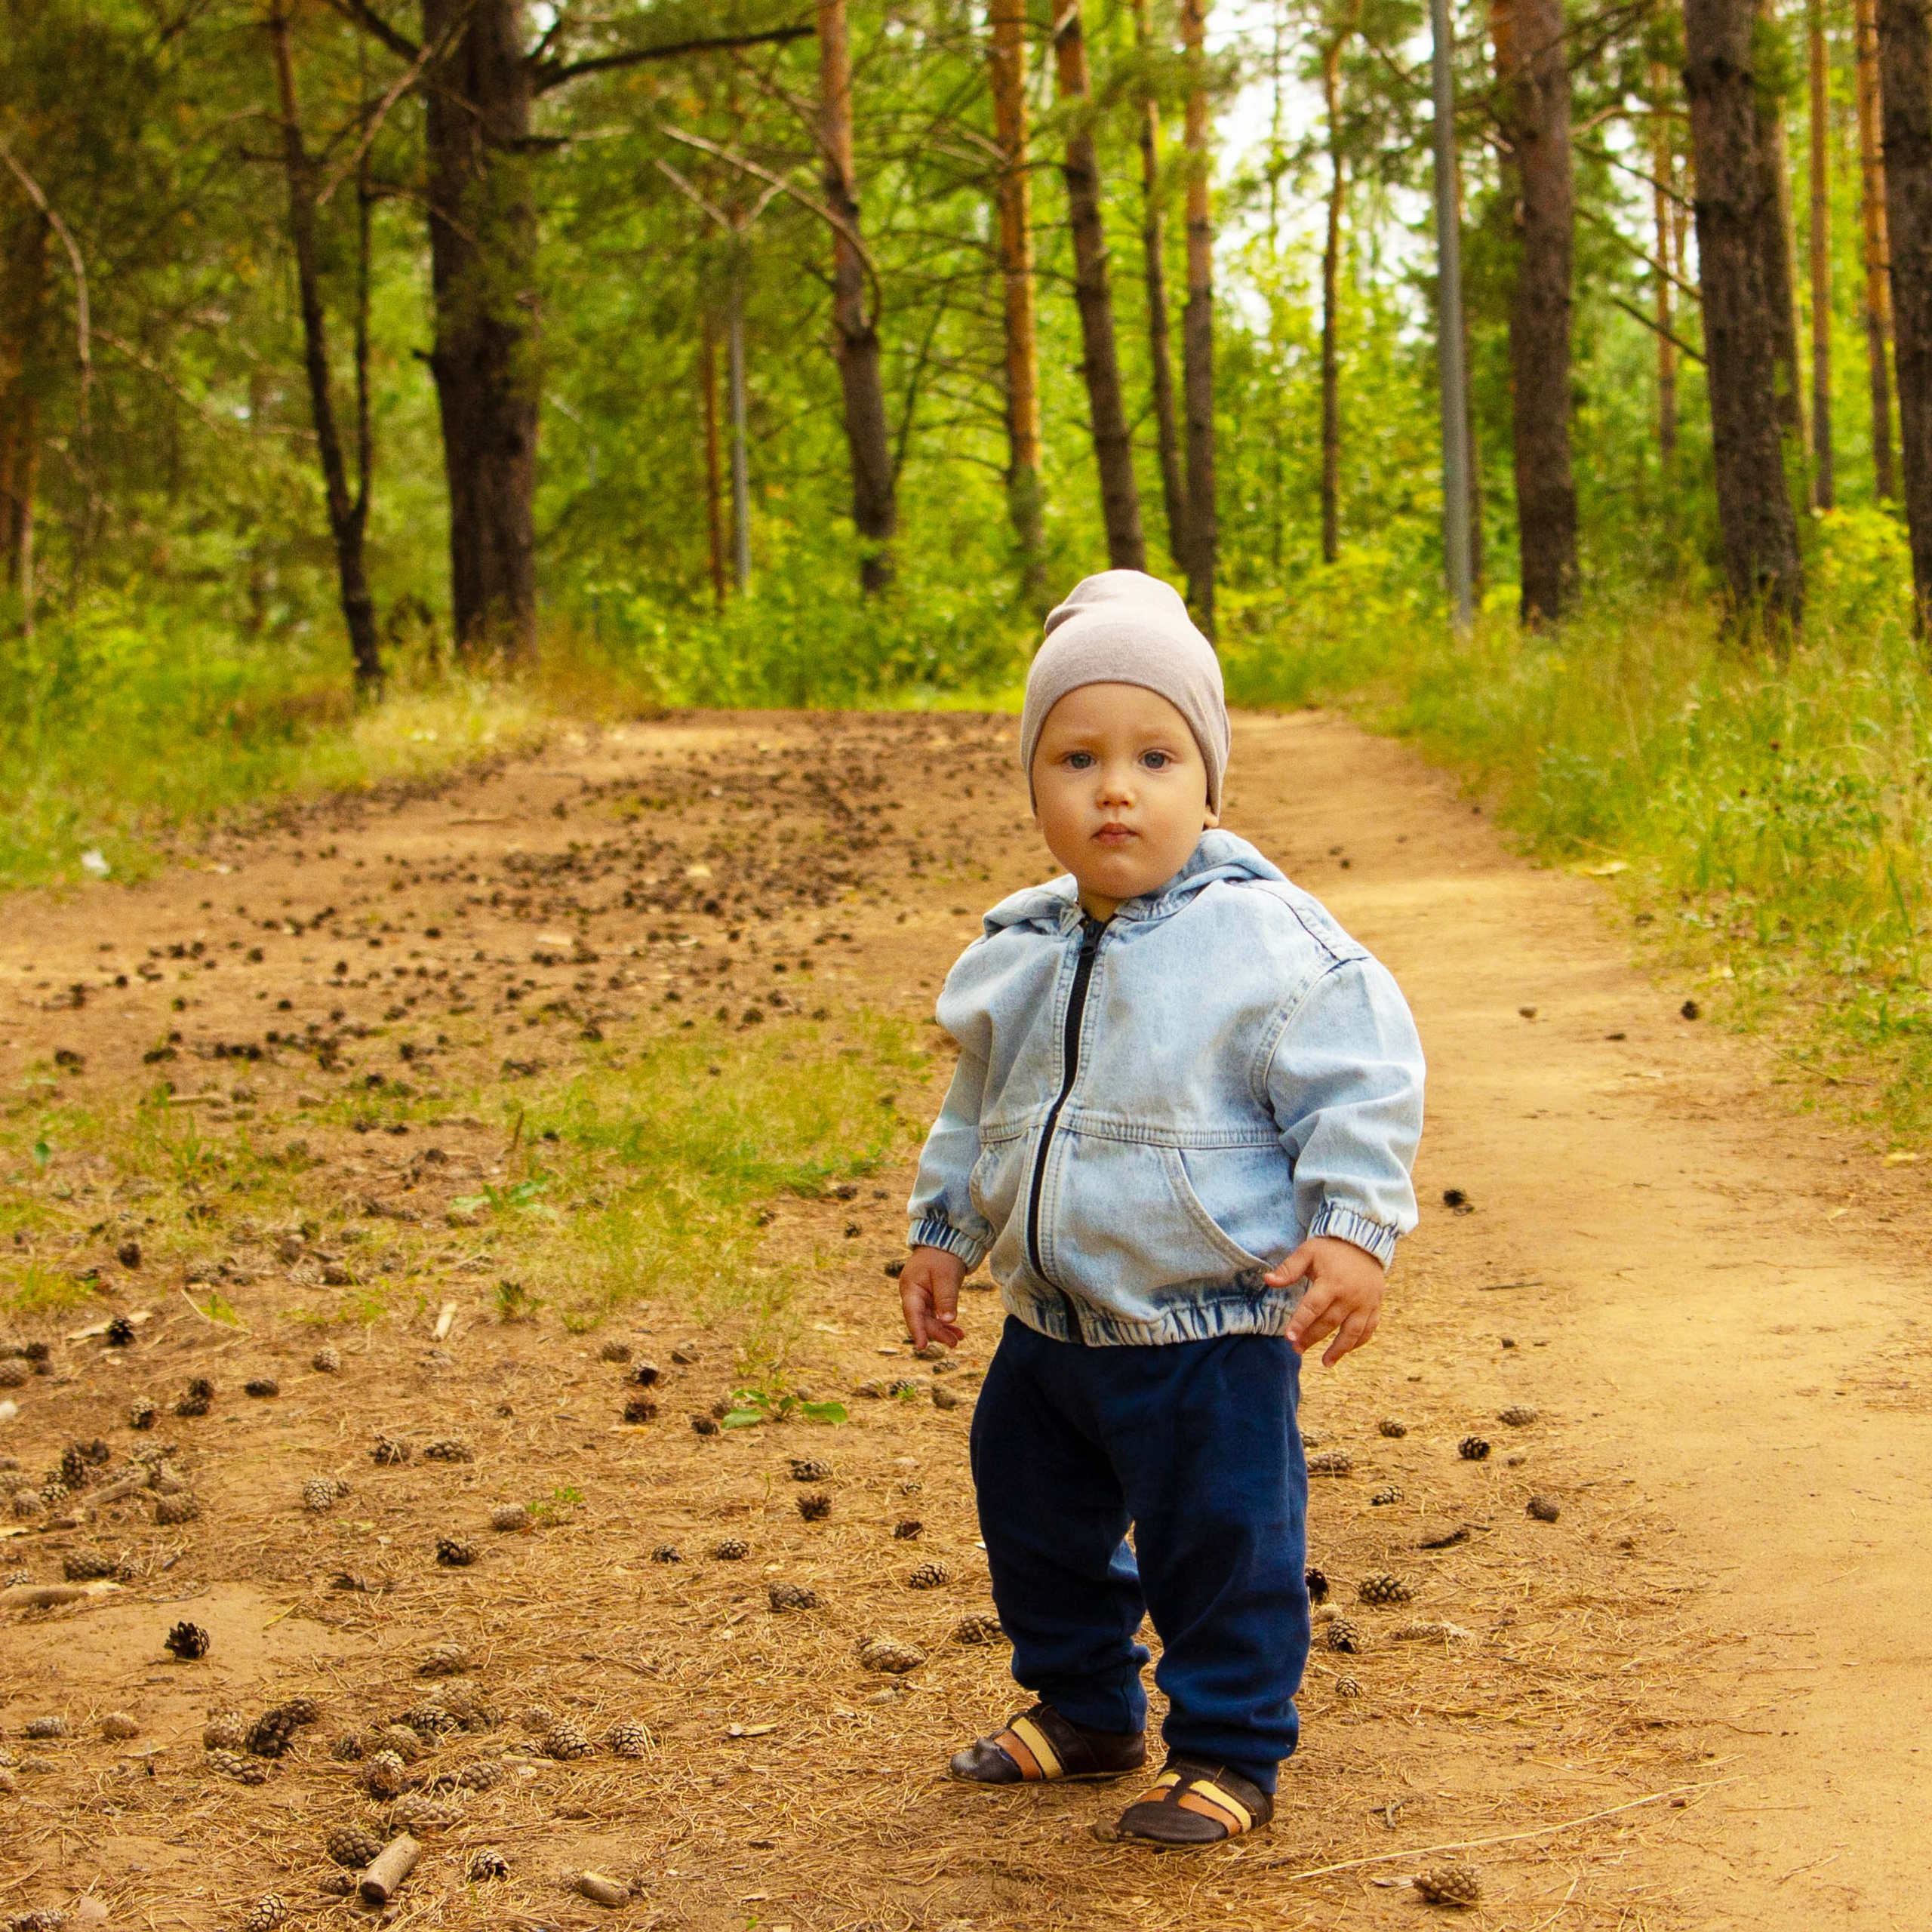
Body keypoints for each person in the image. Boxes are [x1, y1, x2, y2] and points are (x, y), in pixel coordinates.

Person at [897, 570, 1426, 1848]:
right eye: (1076, 758)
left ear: (1209, 780)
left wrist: (1357, 1229)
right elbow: (980, 1103)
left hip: (1205, 1330)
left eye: (1155, 756)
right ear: (1036, 786)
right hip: (1054, 1326)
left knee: (1224, 1543)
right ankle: (1083, 1707)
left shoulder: (1269, 944)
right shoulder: (1017, 946)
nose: (1115, 789)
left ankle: (1232, 1749)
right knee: (1030, 1520)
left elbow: (1363, 1077)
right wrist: (943, 1229)